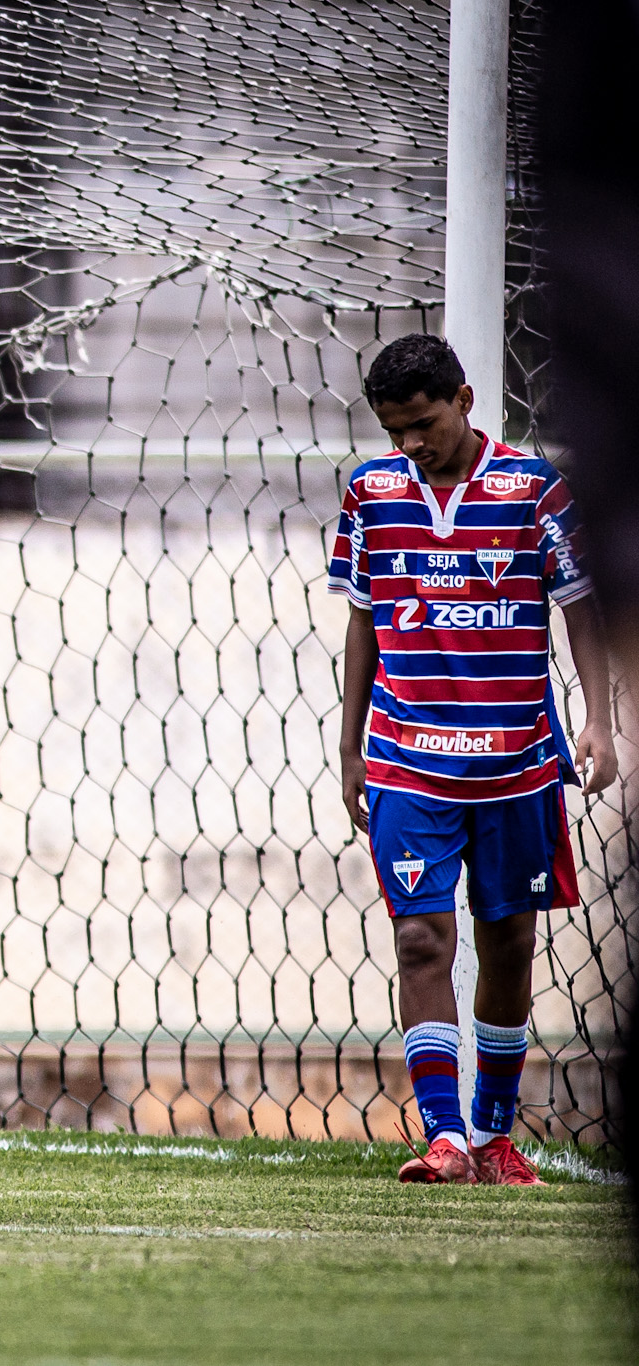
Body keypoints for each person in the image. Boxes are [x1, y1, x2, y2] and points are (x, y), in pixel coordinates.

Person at [330, 333, 615, 1185]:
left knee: (508, 945)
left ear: (462, 400)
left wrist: (597, 720)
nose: (410, 443)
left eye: (422, 423)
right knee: (420, 939)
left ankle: (494, 1136)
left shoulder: (534, 490)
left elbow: (580, 607)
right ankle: (446, 1138)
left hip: (517, 763)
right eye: (393, 430)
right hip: (406, 758)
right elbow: (362, 619)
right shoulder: (371, 493)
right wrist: (349, 746)